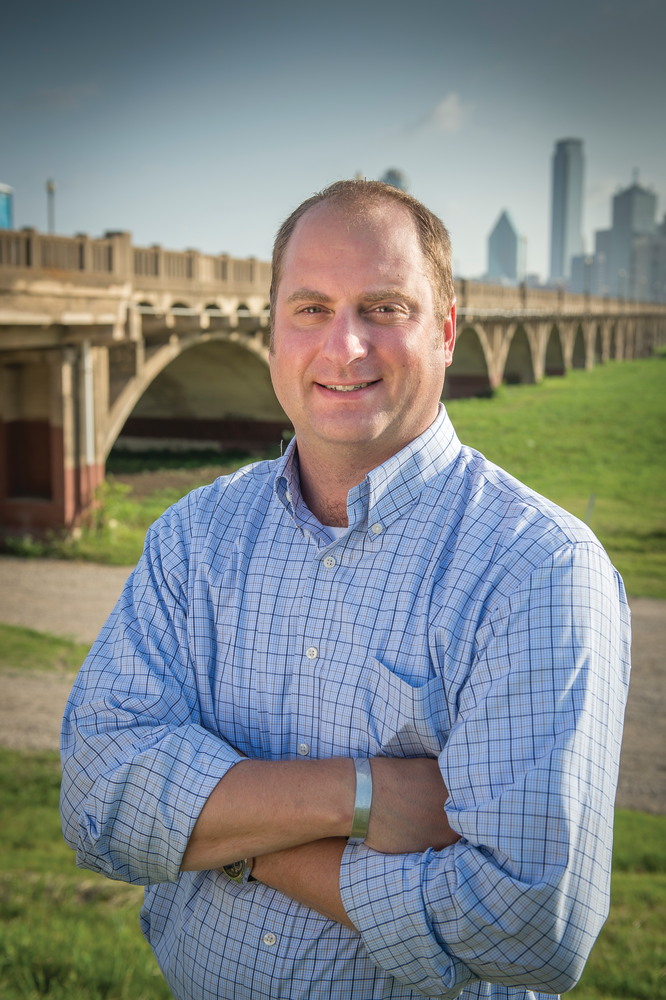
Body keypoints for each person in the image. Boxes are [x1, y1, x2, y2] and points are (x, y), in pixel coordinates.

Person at [60, 180, 631, 1000]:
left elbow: (527, 923)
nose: (345, 346)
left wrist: (233, 838)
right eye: (311, 309)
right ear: (269, 336)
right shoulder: (194, 537)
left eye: (385, 308)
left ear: (445, 331)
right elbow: (94, 798)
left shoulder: (536, 568)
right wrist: (368, 795)